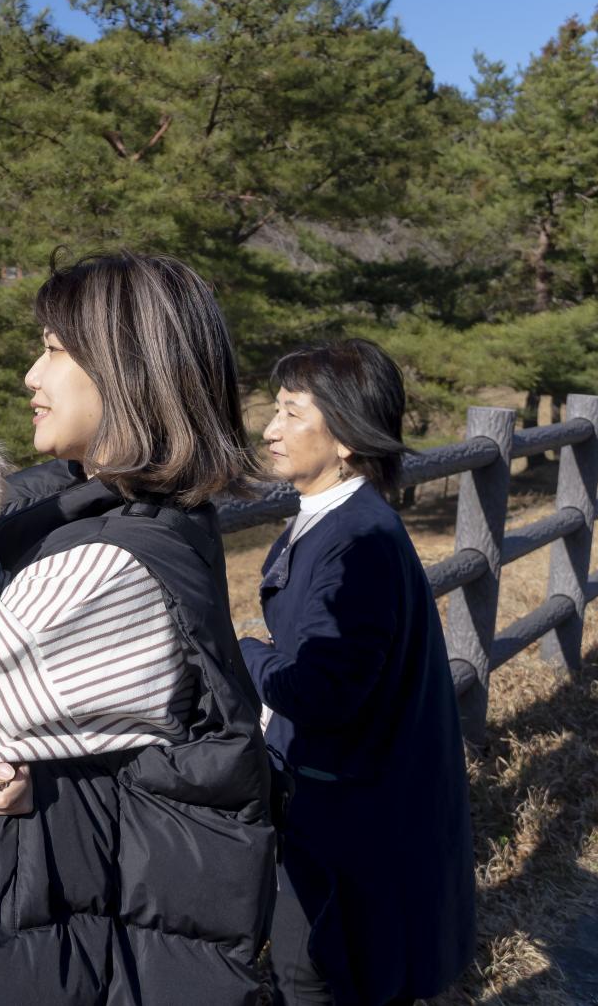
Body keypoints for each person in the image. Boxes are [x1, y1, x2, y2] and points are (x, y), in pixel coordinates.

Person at [0, 251, 277, 1005]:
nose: (29, 377)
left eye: (53, 350)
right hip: (64, 905)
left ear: (127, 369)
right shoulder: (113, 504)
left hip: (54, 934)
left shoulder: (96, 573)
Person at [239, 338, 475, 1005]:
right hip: (350, 803)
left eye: (290, 413)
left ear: (342, 434)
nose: (269, 428)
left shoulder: (355, 542)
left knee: (316, 970)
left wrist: (245, 651)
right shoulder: (345, 520)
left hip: (345, 815)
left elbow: (322, 691)